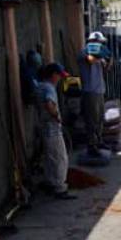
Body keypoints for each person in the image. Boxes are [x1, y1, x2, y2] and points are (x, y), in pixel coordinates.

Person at [37, 63, 76, 200]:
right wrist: (56, 116)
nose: (60, 79)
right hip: (52, 129)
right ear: (53, 75)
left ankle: (50, 182)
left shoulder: (40, 86)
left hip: (44, 128)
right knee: (60, 158)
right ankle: (60, 188)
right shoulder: (49, 88)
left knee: (49, 158)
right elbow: (49, 103)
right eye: (59, 76)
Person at [77, 31, 110, 156]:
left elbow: (106, 68)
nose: (101, 45)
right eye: (100, 43)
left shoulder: (98, 55)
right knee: (92, 120)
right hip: (90, 91)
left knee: (100, 118)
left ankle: (99, 141)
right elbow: (90, 60)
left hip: (99, 89)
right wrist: (100, 56)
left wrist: (107, 59)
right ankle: (92, 145)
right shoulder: (85, 52)